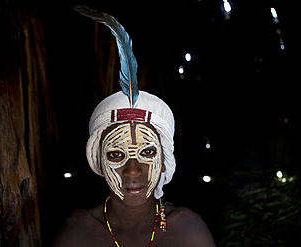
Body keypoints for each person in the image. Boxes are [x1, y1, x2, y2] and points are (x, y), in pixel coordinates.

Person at [53, 6, 216, 247]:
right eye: (116, 154)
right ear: (97, 159)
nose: (132, 170)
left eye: (147, 152)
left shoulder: (187, 230)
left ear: (164, 159)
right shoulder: (77, 232)